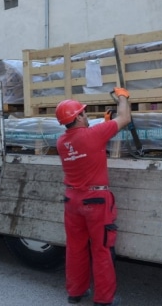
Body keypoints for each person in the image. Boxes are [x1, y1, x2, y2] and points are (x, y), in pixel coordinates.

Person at [55, 88, 132, 306]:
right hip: (96, 201)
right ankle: (104, 298)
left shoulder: (62, 143)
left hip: (72, 200)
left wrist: (104, 125)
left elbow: (84, 144)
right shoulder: (94, 134)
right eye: (83, 112)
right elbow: (125, 117)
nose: (85, 115)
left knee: (76, 247)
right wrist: (122, 97)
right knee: (101, 249)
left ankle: (75, 292)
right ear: (78, 117)